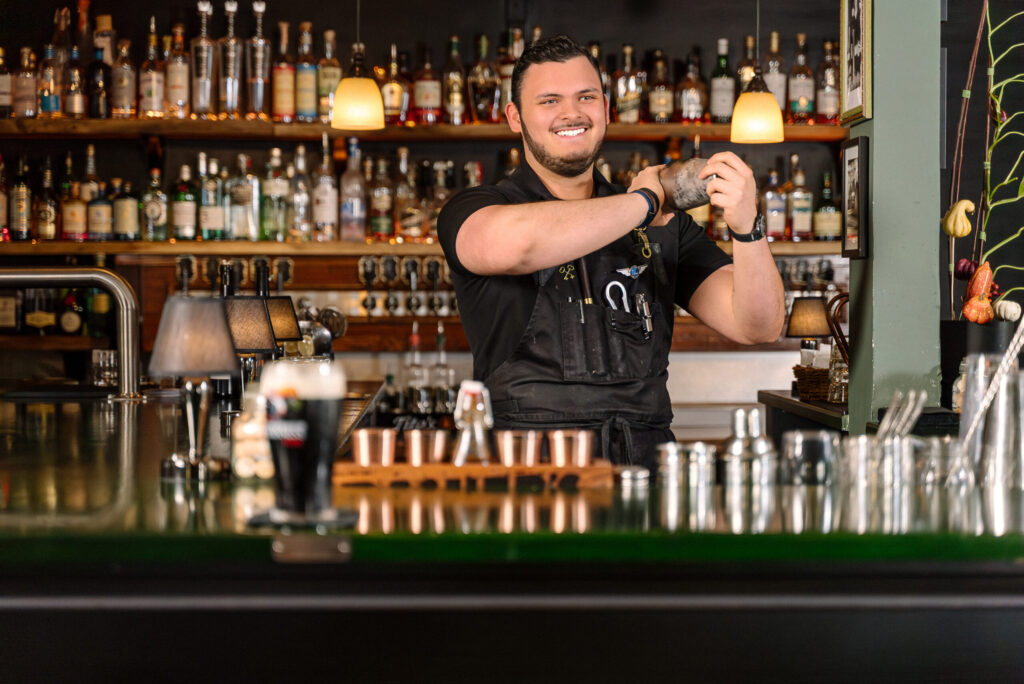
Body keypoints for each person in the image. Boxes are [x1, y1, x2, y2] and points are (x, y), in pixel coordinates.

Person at [437, 35, 785, 469]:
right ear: (515, 117)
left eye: (585, 97)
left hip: (646, 476)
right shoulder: (477, 209)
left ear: (606, 108)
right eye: (549, 100)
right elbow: (518, 243)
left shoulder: (661, 224)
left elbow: (759, 325)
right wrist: (643, 204)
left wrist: (747, 227)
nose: (571, 113)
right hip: (528, 477)